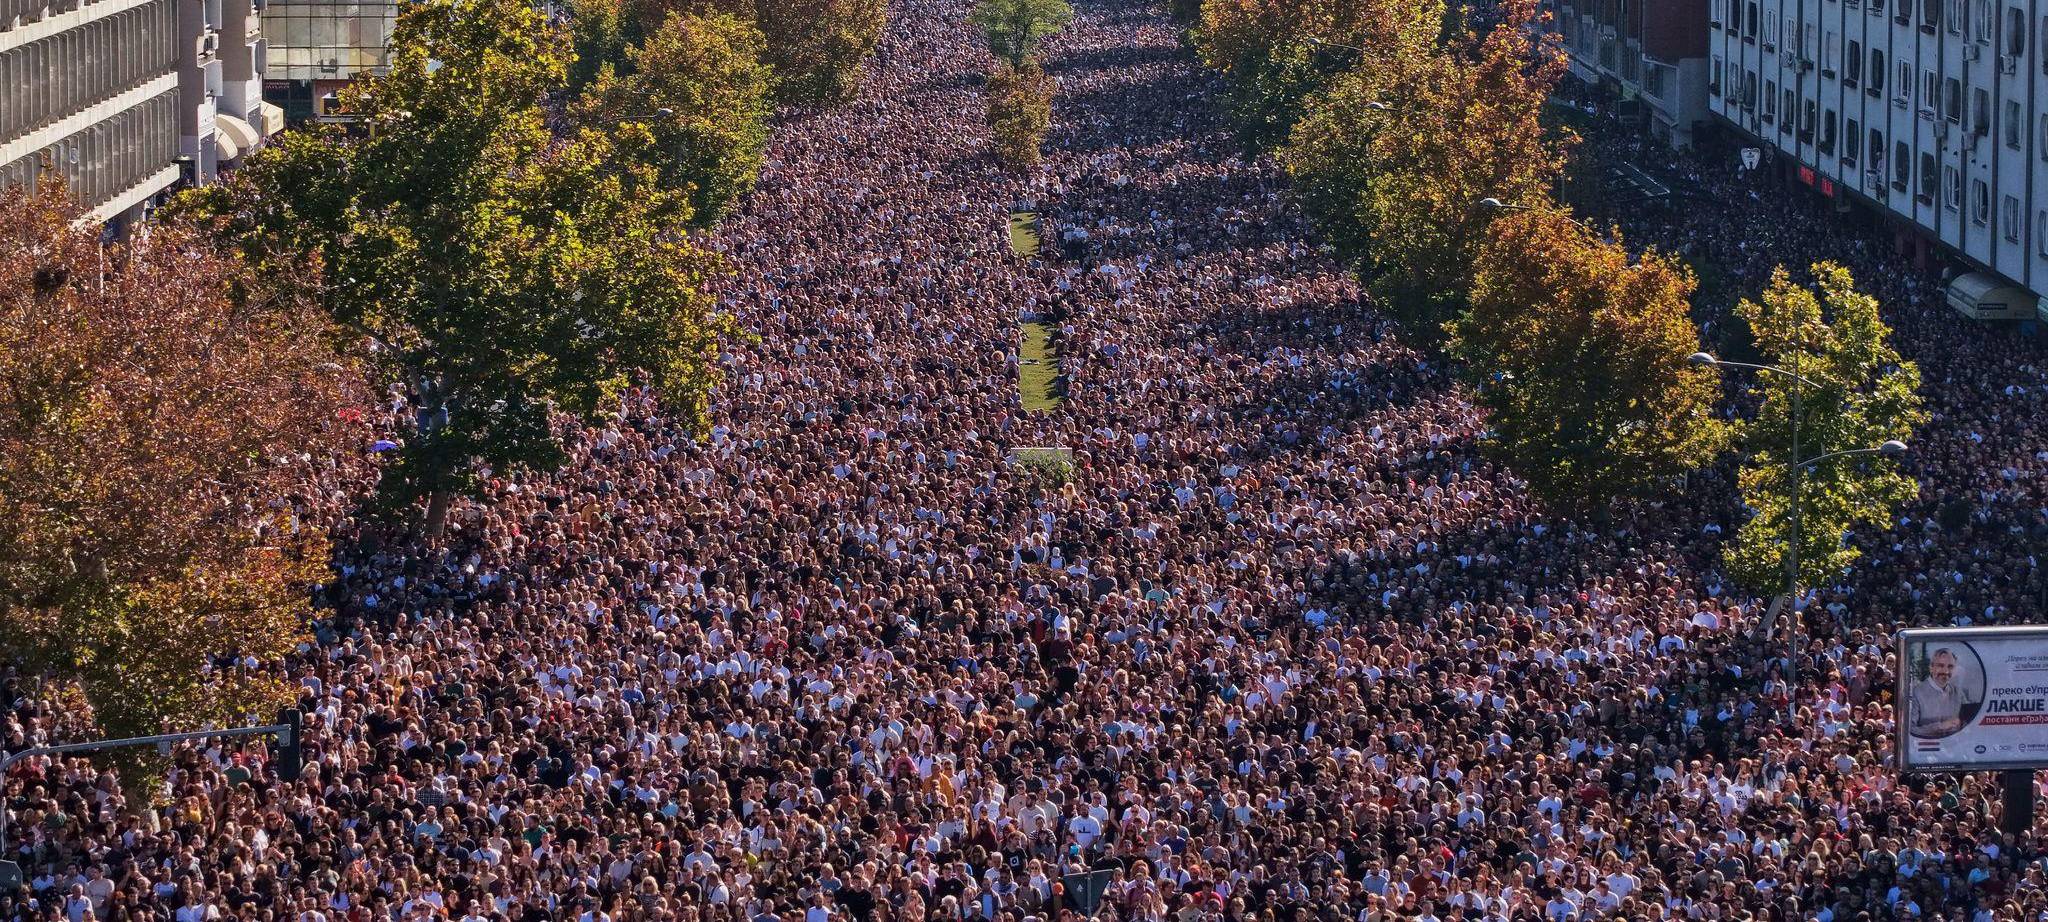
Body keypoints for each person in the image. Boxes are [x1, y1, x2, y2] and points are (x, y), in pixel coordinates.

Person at [1909, 647, 1973, 737]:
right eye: (1941, 665)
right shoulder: (1916, 692)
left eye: (1950, 666)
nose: (1946, 671)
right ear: (1931, 668)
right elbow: (1910, 730)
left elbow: (1969, 721)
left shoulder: (1958, 693)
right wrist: (1940, 727)